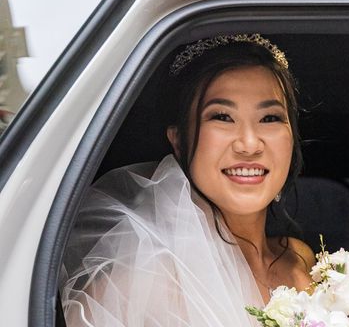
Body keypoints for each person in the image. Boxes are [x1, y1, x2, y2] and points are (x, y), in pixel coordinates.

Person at [60, 34, 315, 326]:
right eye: (222, 116)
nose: (249, 144)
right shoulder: (138, 281)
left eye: (269, 118)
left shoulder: (298, 258)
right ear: (179, 141)